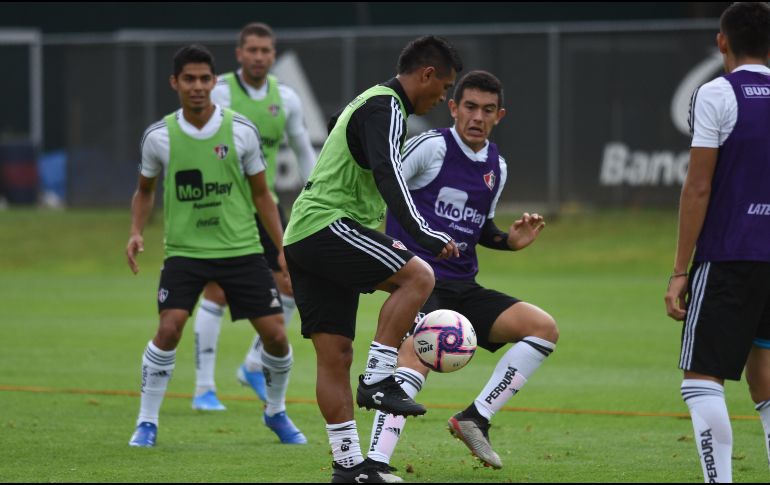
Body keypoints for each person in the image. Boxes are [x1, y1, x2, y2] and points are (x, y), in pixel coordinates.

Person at [283, 35, 463, 482]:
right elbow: (388, 172)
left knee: (335, 355)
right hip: (326, 226)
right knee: (418, 277)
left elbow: (350, 145)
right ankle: (380, 378)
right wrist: (422, 231)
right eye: (444, 87)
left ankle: (349, 469)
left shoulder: (371, 104)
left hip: (305, 235)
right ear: (426, 74)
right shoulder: (385, 107)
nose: (443, 98)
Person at [364, 70, 558, 472]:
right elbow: (384, 184)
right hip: (421, 284)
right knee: (413, 357)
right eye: (470, 106)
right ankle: (376, 463)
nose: (477, 117)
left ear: (499, 116)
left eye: (488, 110)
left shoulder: (496, 167)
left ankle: (476, 417)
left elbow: (479, 227)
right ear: (453, 108)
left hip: (464, 287)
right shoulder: (430, 148)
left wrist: (508, 240)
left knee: (543, 328)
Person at [125, 44, 305, 447]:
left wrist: (281, 247)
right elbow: (144, 190)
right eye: (189, 78)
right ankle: (147, 422)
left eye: (205, 78)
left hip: (241, 250)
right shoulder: (159, 137)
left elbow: (262, 195)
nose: (198, 86)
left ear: (213, 81)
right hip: (185, 253)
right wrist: (136, 231)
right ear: (175, 83)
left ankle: (276, 412)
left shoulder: (240, 130)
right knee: (168, 328)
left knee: (276, 336)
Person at [664, 2, 770, 482]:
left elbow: (698, 186)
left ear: (722, 42)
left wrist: (680, 269)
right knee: (765, 378)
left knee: (701, 379)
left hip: (730, 255)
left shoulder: (717, 93)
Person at [190, 22, 316, 411]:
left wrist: (316, 192)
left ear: (273, 55)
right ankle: (203, 389)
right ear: (239, 54)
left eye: (266, 50)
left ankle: (252, 366)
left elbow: (303, 148)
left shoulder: (287, 98)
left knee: (293, 284)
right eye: (253, 50)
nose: (260, 56)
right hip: (222, 204)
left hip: (265, 205)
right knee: (218, 290)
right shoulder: (221, 92)